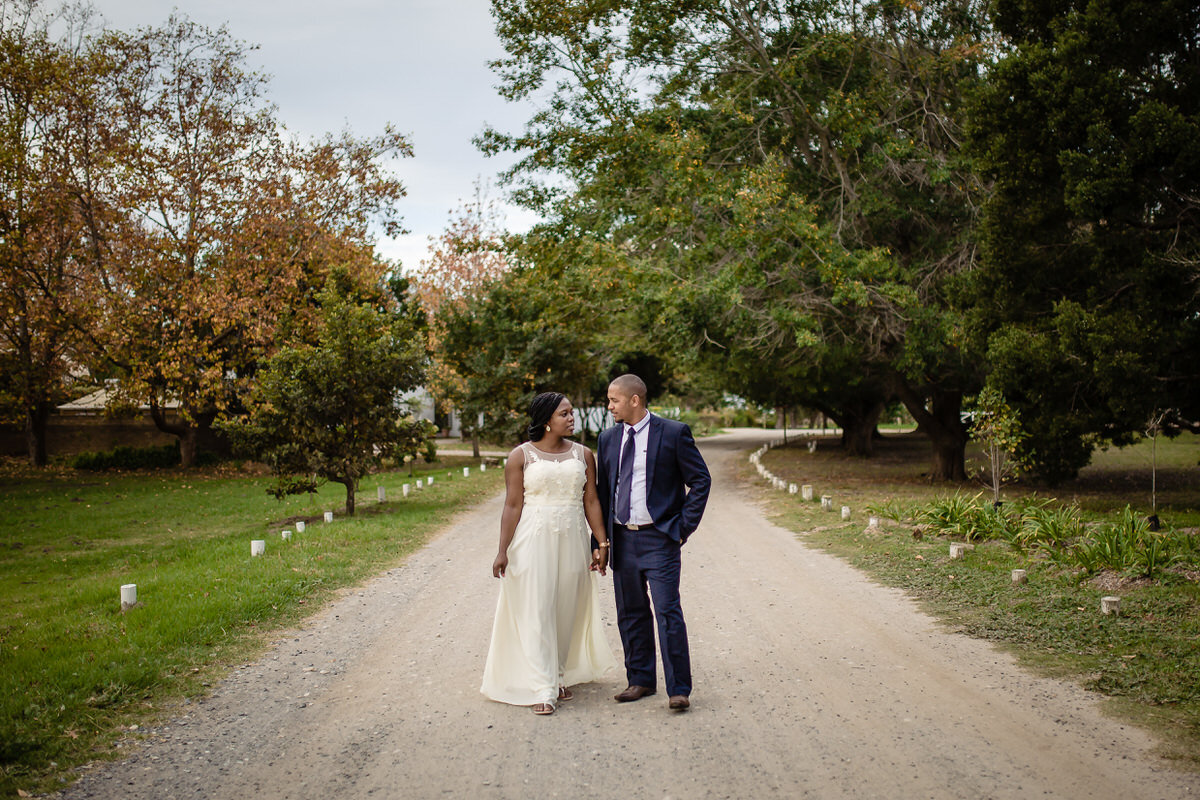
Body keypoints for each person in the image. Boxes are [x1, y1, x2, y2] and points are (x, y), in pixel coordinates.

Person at [481, 392, 616, 715]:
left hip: (572, 539)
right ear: (546, 420)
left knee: (566, 609)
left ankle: (557, 675)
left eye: (571, 413)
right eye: (564, 414)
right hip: (532, 539)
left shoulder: (584, 455)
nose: (572, 419)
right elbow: (513, 505)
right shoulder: (520, 456)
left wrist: (602, 543)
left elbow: (591, 501)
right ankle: (543, 686)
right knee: (538, 608)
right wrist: (502, 550)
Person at [596, 374, 710, 711]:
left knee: (667, 611)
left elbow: (700, 480)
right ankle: (640, 680)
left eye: (613, 400)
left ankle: (679, 688)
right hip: (621, 539)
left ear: (634, 400)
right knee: (630, 613)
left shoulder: (673, 433)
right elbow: (603, 494)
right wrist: (600, 542)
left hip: (659, 538)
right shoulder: (607, 438)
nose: (609, 406)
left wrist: (681, 528)